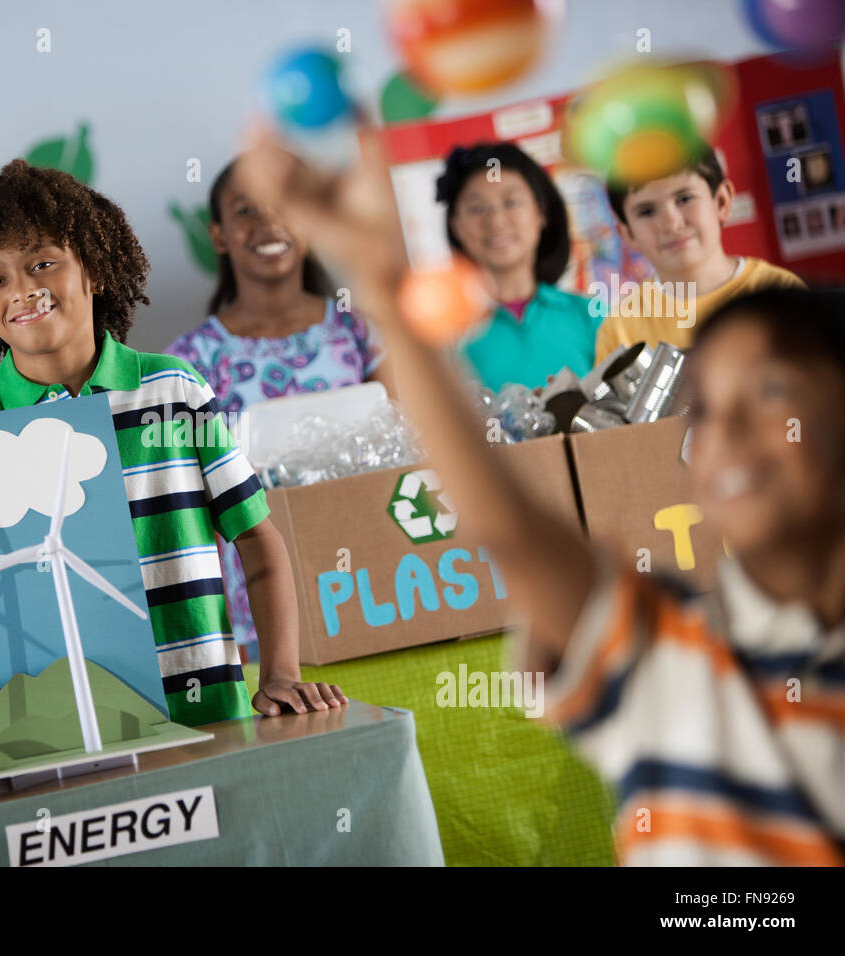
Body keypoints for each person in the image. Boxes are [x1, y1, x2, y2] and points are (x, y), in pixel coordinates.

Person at [239, 126, 844, 865]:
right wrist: (382, 284)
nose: (729, 435)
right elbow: (513, 529)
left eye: (771, 394)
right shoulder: (676, 638)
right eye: (705, 411)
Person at [0, 159, 344, 724]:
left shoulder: (173, 389)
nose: (23, 291)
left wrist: (279, 671)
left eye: (43, 263)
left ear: (94, 270)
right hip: (50, 737)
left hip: (206, 717)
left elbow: (256, 537)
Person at [165, 156, 391, 659]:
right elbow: (182, 495)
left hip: (376, 576)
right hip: (255, 602)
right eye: (246, 210)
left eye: (284, 206)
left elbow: (408, 442)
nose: (269, 223)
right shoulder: (190, 360)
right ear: (219, 235)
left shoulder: (360, 328)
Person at [594, 145, 803, 363]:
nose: (672, 223)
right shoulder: (619, 330)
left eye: (684, 199)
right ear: (627, 233)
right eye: (646, 211)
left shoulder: (782, 292)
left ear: (721, 201)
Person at [435, 142, 597, 391]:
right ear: (456, 226)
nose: (496, 221)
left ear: (541, 213)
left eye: (511, 202)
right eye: (477, 208)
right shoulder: (443, 339)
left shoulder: (590, 316)